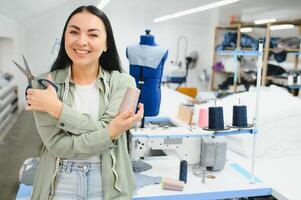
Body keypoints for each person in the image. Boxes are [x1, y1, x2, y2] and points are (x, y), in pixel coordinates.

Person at [25, 5, 143, 200]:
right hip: (59, 182)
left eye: (93, 35)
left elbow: (108, 128)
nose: (81, 41)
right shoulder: (42, 85)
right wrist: (110, 133)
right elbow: (57, 145)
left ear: (106, 44)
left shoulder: (125, 83)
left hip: (110, 184)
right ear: (64, 38)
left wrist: (58, 109)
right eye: (74, 32)